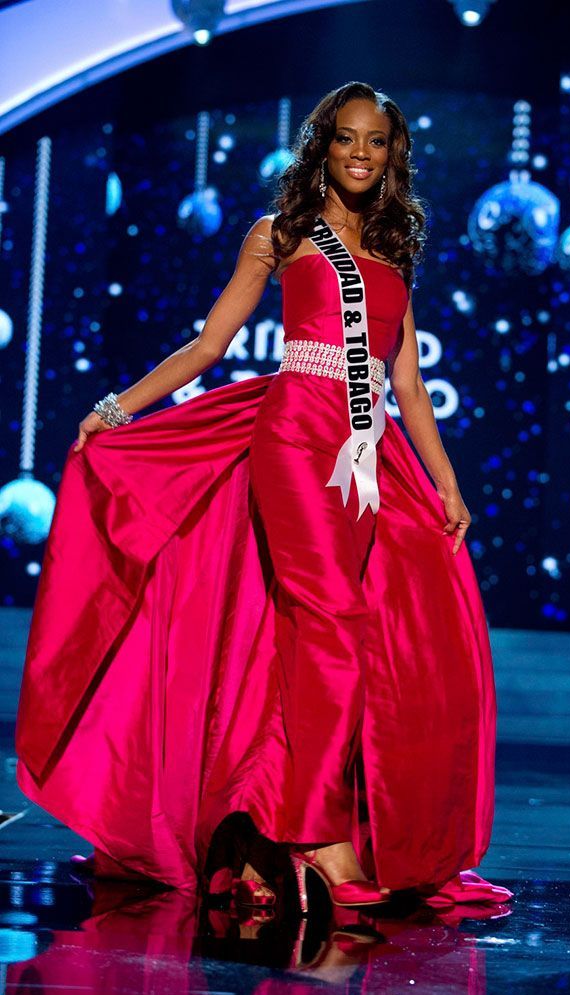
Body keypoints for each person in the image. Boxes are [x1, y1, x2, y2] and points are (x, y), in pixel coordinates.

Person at [14, 81, 513, 912]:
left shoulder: (393, 248)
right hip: (293, 440)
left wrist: (446, 480)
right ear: (323, 144)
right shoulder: (280, 234)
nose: (360, 153)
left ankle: (307, 812)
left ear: (393, 154)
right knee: (331, 626)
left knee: (387, 632)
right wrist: (115, 408)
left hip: (370, 454)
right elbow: (211, 343)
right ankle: (321, 838)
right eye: (346, 137)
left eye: (376, 142)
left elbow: (409, 384)